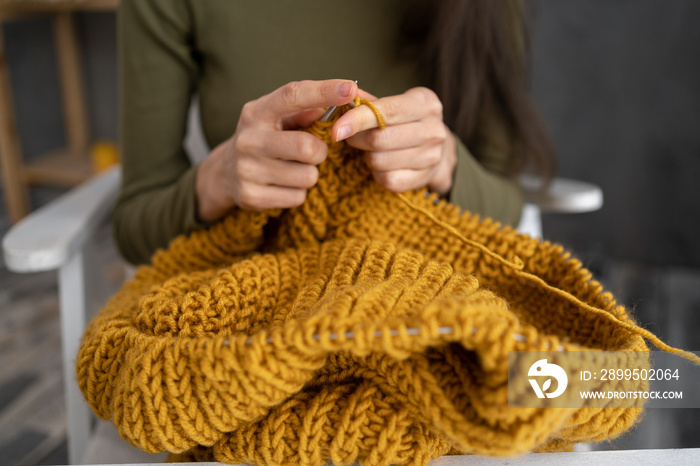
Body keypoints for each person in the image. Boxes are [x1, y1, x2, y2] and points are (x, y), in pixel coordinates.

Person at [115, 0, 556, 265]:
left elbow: (508, 211)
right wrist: (219, 178)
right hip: (250, 310)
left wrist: (444, 163)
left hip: (438, 293)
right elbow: (135, 228)